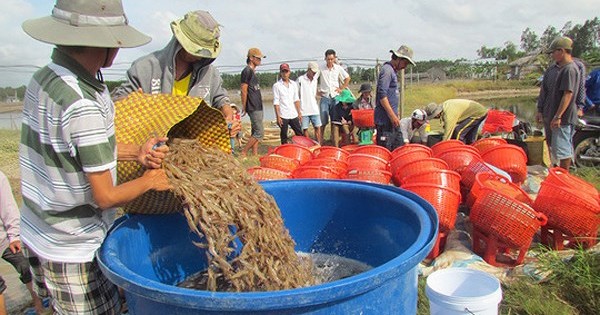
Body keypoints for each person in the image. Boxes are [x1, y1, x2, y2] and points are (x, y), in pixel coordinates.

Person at [20, 1, 172, 313]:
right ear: (108, 46)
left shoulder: (46, 78)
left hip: (39, 229)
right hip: (72, 246)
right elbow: (105, 197)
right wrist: (152, 179)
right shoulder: (82, 103)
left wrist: (136, 153)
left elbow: (76, 149)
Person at [112, 10, 241, 138]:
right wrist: (135, 103)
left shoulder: (210, 73)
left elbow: (219, 98)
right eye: (196, 50)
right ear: (180, 41)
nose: (200, 56)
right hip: (153, 149)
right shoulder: (145, 69)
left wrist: (226, 111)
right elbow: (118, 106)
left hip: (195, 149)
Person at [0, 171, 45, 315]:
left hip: (3, 239)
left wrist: (14, 236)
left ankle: (40, 306)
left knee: (26, 265)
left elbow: (9, 208)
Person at [535, 36, 581, 171]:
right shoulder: (552, 70)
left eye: (553, 52)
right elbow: (544, 91)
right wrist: (540, 110)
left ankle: (564, 176)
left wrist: (558, 116)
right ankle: (554, 171)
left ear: (561, 51)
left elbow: (568, 94)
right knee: (552, 146)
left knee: (563, 149)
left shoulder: (570, 69)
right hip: (549, 114)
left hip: (563, 118)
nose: (552, 55)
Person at [375, 46, 415, 151]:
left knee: (399, 149)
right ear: (398, 59)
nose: (404, 67)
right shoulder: (387, 70)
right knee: (386, 151)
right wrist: (392, 115)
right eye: (405, 63)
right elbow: (382, 95)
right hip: (385, 121)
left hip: (392, 121)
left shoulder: (392, 71)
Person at [319, 49, 351, 143]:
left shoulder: (338, 68)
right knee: (323, 120)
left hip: (335, 97)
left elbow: (347, 78)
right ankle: (321, 141)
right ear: (325, 58)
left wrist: (341, 88)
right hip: (325, 96)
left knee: (335, 121)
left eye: (332, 59)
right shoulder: (321, 68)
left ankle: (333, 140)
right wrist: (316, 92)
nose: (330, 61)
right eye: (328, 59)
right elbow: (313, 79)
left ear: (334, 58)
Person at [424, 99, 488, 144]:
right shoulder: (445, 107)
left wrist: (443, 145)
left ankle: (459, 149)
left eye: (434, 116)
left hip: (477, 113)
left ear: (437, 113)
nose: (435, 118)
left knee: (458, 131)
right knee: (470, 136)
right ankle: (472, 146)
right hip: (476, 111)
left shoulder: (448, 115)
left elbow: (447, 133)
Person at [241, 47, 266, 157]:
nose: (260, 60)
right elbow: (243, 89)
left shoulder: (252, 72)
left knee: (255, 130)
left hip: (258, 105)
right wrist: (244, 105)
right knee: (259, 132)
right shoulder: (247, 71)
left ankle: (254, 153)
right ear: (251, 58)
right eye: (258, 58)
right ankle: (244, 152)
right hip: (253, 105)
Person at [273, 63, 303, 144]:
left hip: (293, 113)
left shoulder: (293, 84)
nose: (285, 74)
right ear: (280, 73)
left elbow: (296, 99)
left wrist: (299, 113)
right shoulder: (277, 86)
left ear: (289, 72)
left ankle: (301, 148)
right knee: (284, 134)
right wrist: (278, 116)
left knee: (299, 133)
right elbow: (276, 102)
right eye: (283, 72)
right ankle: (284, 149)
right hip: (283, 114)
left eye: (286, 71)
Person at [298, 61, 322, 144]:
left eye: (315, 72)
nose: (314, 74)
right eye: (313, 72)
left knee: (317, 127)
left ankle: (318, 145)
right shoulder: (300, 80)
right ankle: (308, 145)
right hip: (304, 109)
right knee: (305, 128)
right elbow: (296, 95)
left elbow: (314, 92)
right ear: (308, 70)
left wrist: (320, 93)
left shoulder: (315, 80)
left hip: (314, 108)